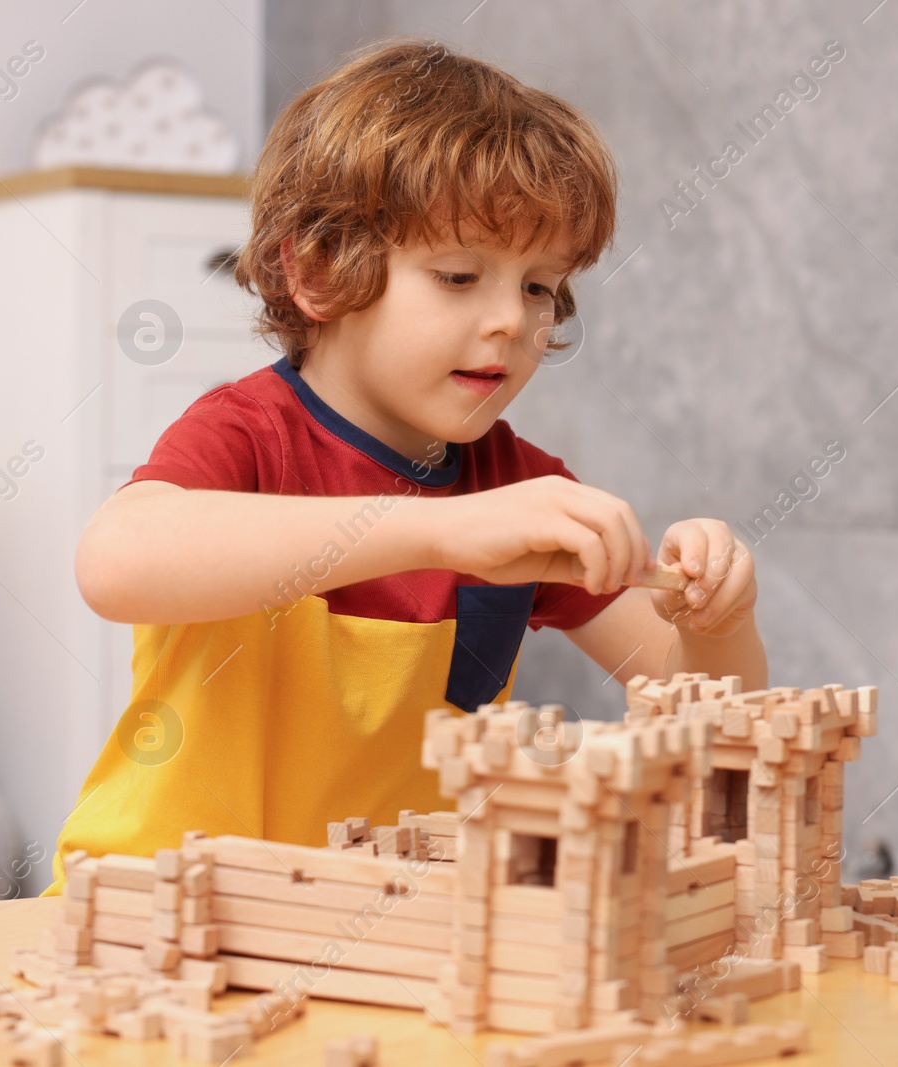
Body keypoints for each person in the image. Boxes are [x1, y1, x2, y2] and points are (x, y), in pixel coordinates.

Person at [44, 37, 765, 893]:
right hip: (158, 911)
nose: (511, 320)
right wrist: (443, 530)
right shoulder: (251, 435)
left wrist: (718, 619)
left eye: (539, 286)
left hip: (382, 938)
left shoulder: (520, 488)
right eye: (460, 276)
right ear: (317, 270)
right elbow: (114, 562)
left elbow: (720, 720)